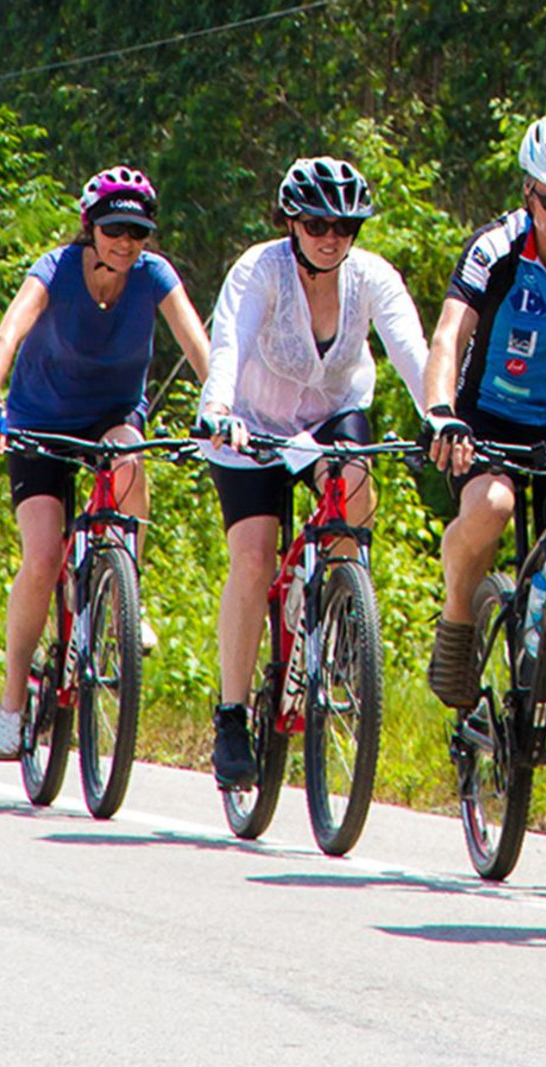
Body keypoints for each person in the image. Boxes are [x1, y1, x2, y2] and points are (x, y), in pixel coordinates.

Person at [195, 156, 429, 787]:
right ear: (291, 222)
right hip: (252, 420)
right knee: (253, 555)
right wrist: (217, 408)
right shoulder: (260, 270)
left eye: (346, 226)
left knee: (355, 491)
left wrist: (442, 414)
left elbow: (413, 351)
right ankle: (233, 716)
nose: (332, 236)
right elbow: (230, 343)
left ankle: (343, 614)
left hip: (332, 414)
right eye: (318, 223)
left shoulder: (372, 277)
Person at [0, 166, 211, 761]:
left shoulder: (154, 275)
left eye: (137, 232)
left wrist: (223, 404)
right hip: (38, 420)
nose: (126, 243)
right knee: (43, 554)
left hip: (109, 413)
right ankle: (11, 705)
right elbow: (8, 335)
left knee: (129, 454)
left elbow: (195, 344)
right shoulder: (55, 270)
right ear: (91, 228)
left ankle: (122, 590)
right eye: (114, 230)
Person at [423, 116, 546, 708]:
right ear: (529, 193)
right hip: (487, 421)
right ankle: (459, 613)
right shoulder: (497, 249)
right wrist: (441, 412)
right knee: (493, 505)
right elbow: (448, 337)